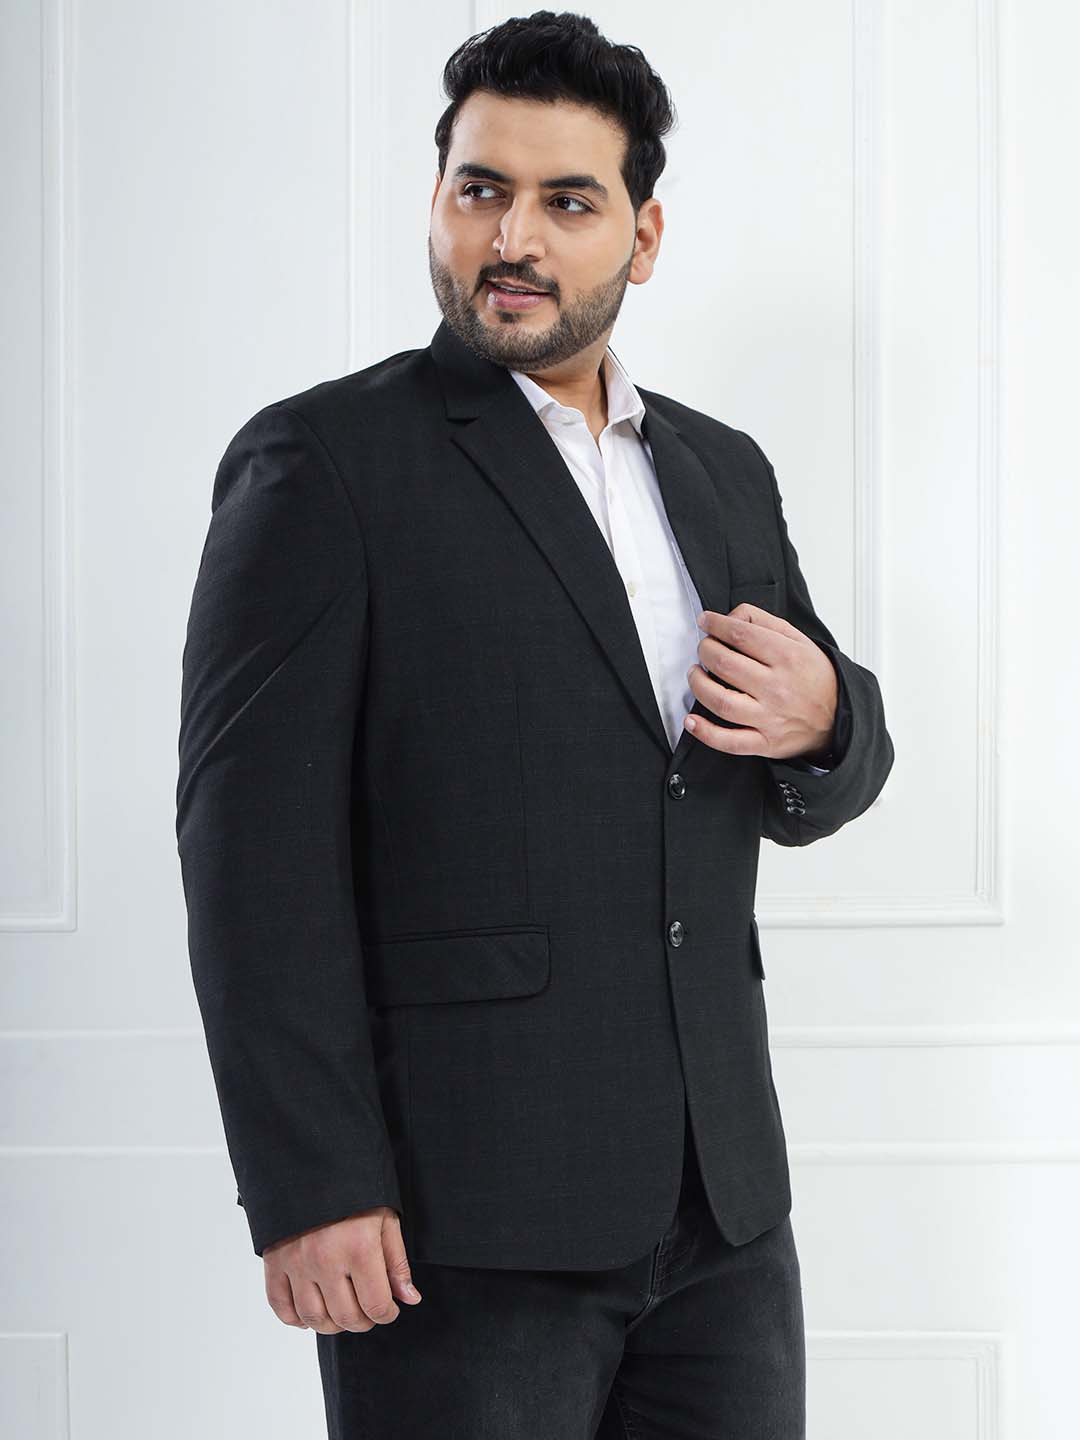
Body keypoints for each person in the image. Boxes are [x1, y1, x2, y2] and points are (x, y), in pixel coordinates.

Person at [175, 10, 894, 1438]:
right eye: (480, 189)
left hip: (724, 1210)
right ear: (438, 199)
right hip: (461, 1216)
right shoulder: (324, 464)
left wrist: (828, 721)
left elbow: (810, 766)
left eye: (567, 201)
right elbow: (250, 856)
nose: (512, 238)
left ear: (643, 235)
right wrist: (313, 1184)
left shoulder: (723, 471)